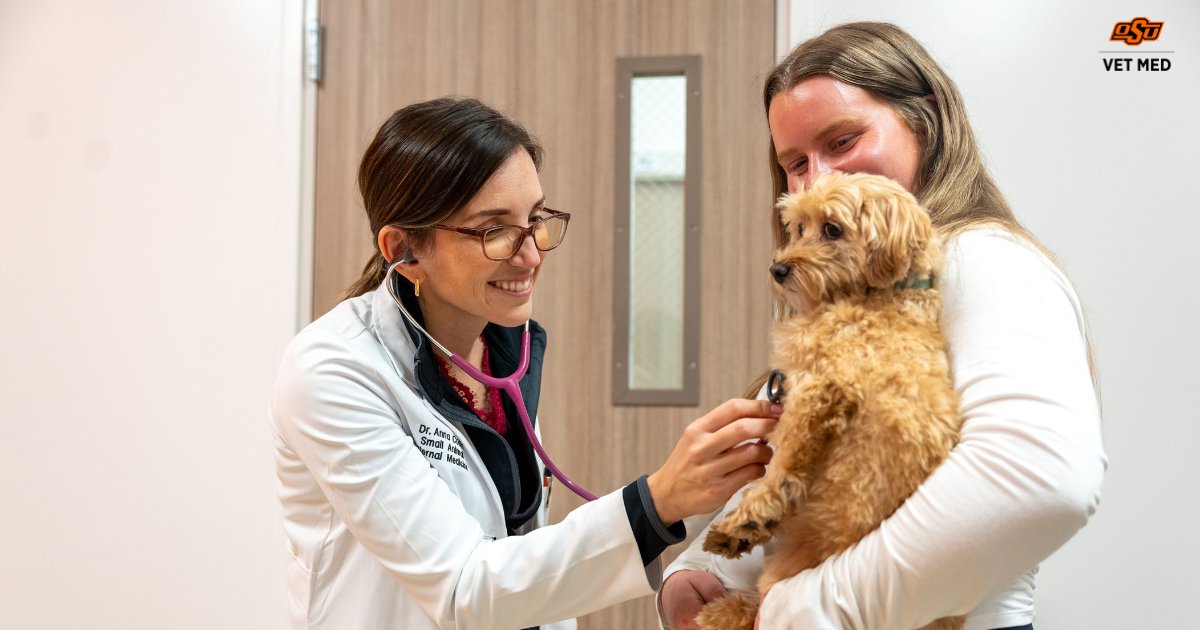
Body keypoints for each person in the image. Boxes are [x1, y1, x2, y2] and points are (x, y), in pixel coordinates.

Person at [659, 22, 1106, 630]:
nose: (819, 178)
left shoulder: (979, 258)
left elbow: (1040, 475)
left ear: (926, 121)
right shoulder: (856, 296)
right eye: (795, 163)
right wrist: (705, 572)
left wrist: (807, 608)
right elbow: (820, 474)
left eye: (842, 141)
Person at [270, 97, 779, 630]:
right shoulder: (332, 371)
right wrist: (657, 502)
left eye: (535, 219)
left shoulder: (503, 352)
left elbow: (521, 547)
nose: (531, 255)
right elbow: (463, 586)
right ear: (404, 249)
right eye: (494, 230)